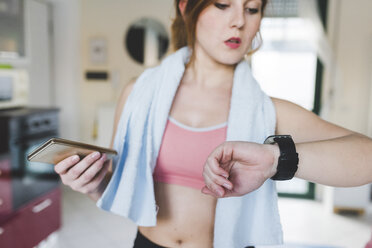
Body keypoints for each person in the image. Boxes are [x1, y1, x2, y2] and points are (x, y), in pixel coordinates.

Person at [54, 0, 372, 247]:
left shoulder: (269, 111)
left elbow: (366, 156)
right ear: (186, 8)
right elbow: (120, 189)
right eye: (222, 5)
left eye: (252, 9)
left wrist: (276, 158)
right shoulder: (138, 95)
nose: (239, 21)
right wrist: (94, 185)